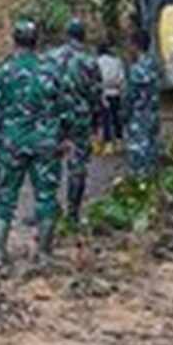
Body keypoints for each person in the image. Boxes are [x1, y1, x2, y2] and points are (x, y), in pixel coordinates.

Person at [0, 20, 72, 267]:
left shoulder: (3, 72)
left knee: (5, 198)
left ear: (15, 40)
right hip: (45, 144)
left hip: (11, 144)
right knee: (46, 198)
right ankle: (44, 254)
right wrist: (65, 137)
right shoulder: (51, 69)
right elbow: (64, 107)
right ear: (37, 41)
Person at [45, 18, 102, 224]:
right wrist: (97, 122)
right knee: (77, 167)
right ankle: (72, 214)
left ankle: (47, 209)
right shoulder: (89, 61)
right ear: (83, 35)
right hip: (79, 119)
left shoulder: (49, 58)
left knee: (49, 163)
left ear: (66, 34)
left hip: (53, 119)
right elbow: (96, 94)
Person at [123, 30, 161, 177]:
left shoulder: (136, 69)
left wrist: (124, 114)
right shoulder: (154, 65)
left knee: (138, 152)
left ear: (135, 46)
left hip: (138, 117)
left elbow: (130, 96)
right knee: (152, 149)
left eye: (129, 44)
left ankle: (140, 184)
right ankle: (153, 183)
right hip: (152, 114)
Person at [97, 43, 126, 155]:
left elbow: (96, 78)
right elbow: (122, 78)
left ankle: (108, 144)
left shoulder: (98, 62)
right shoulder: (117, 61)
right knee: (117, 117)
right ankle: (119, 142)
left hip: (104, 92)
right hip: (116, 92)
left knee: (106, 119)